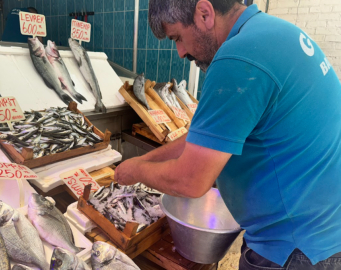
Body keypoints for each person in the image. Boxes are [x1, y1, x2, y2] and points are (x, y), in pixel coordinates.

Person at [114, 0, 341, 269]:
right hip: (323, 232)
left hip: (294, 249)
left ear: (204, 13)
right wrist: (146, 160)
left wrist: (136, 172)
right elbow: (203, 138)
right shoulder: (273, 32)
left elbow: (191, 181)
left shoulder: (239, 57)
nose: (180, 52)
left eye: (178, 38)